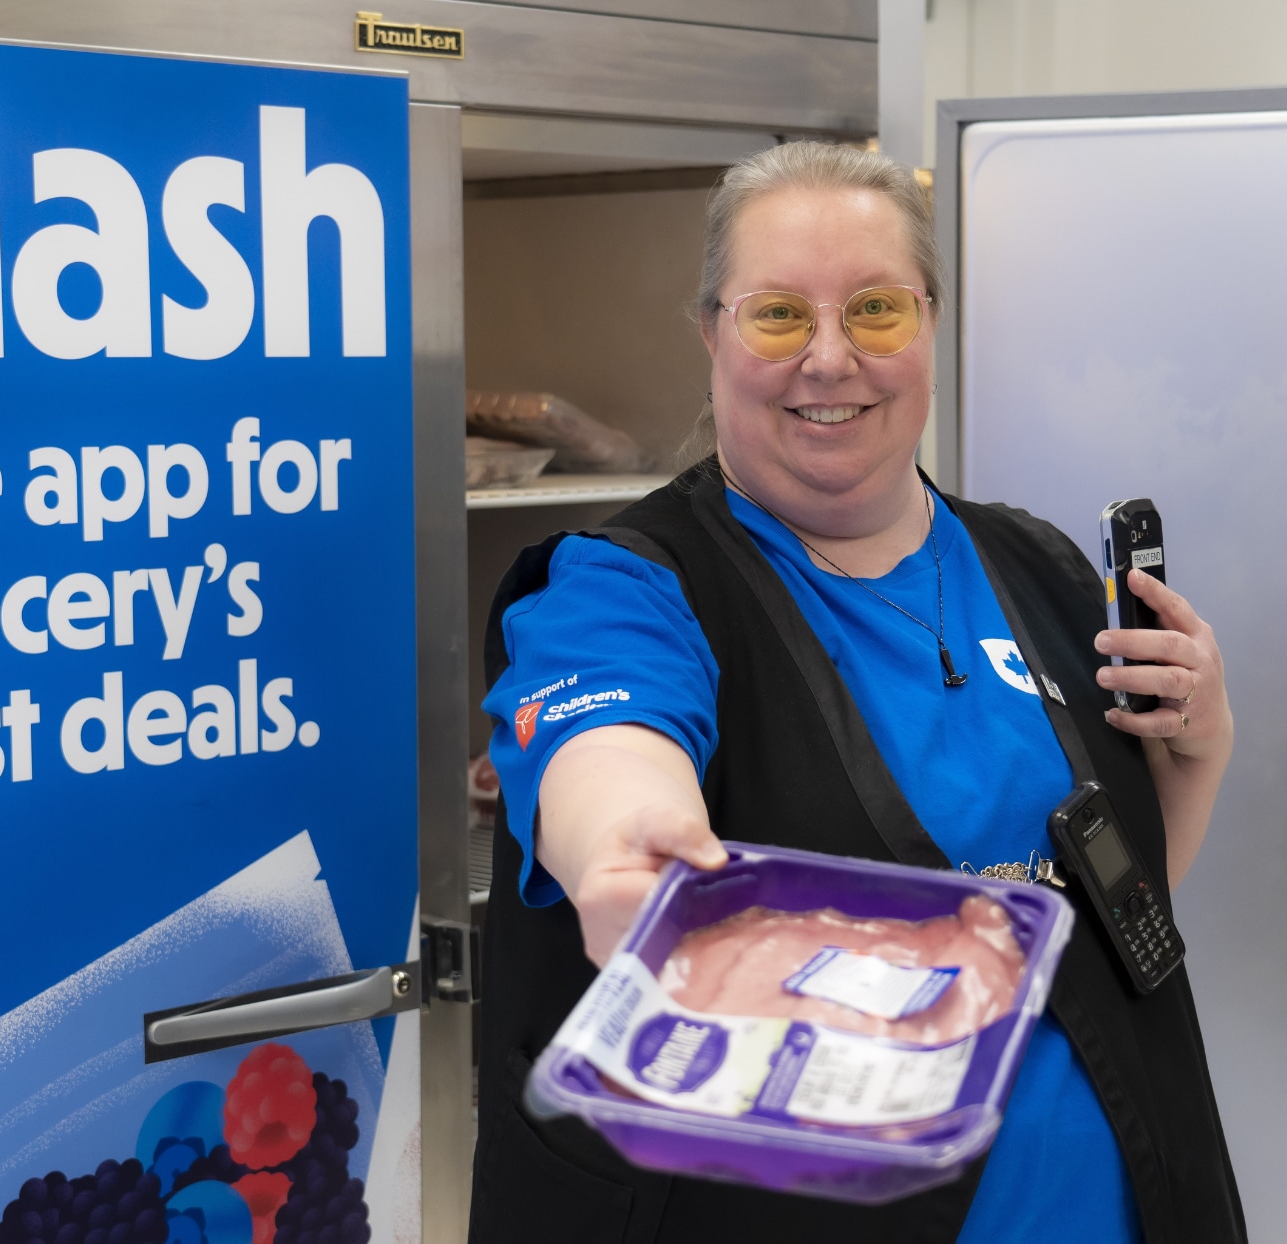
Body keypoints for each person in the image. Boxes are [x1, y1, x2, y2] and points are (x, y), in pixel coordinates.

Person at [467, 142, 1243, 1244]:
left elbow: (1116, 906)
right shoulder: (627, 583)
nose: (828, 359)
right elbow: (608, 729)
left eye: (874, 309)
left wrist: (1195, 749)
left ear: (928, 323)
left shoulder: (1039, 565)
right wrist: (622, 839)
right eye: (777, 314)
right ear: (709, 332)